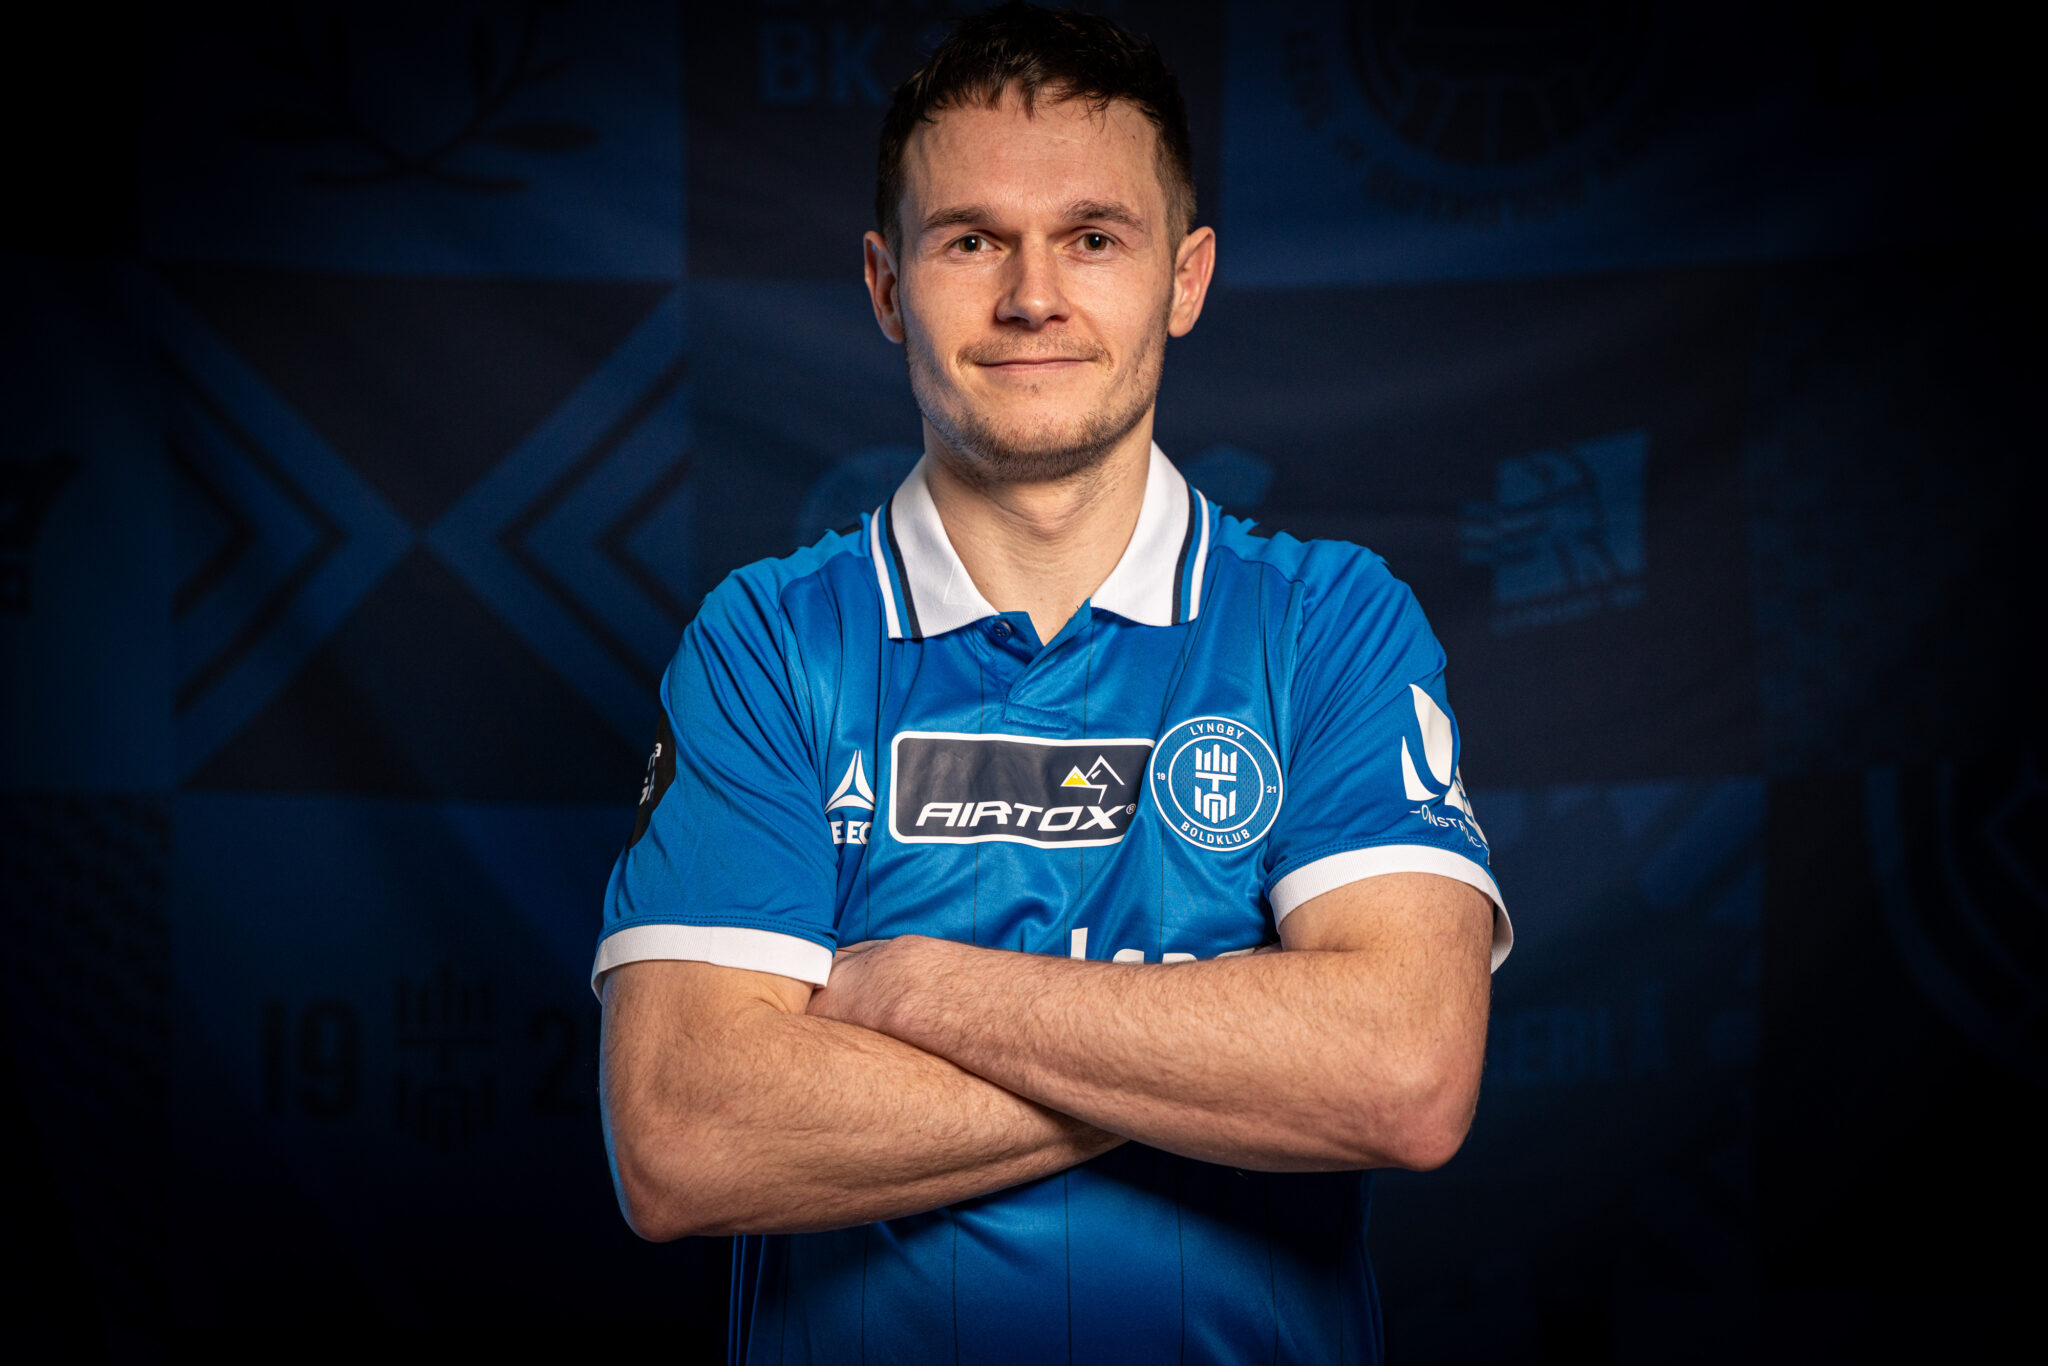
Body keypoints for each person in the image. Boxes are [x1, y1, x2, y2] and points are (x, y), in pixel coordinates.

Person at [596, 5, 1510, 1362]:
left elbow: (1403, 1073)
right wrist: (1230, 1052)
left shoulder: (1329, 624)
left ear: (1185, 279)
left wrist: (923, 991)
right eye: (971, 239)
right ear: (886, 284)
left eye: (1094, 237)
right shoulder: (768, 643)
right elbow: (685, 1135)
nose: (1033, 295)